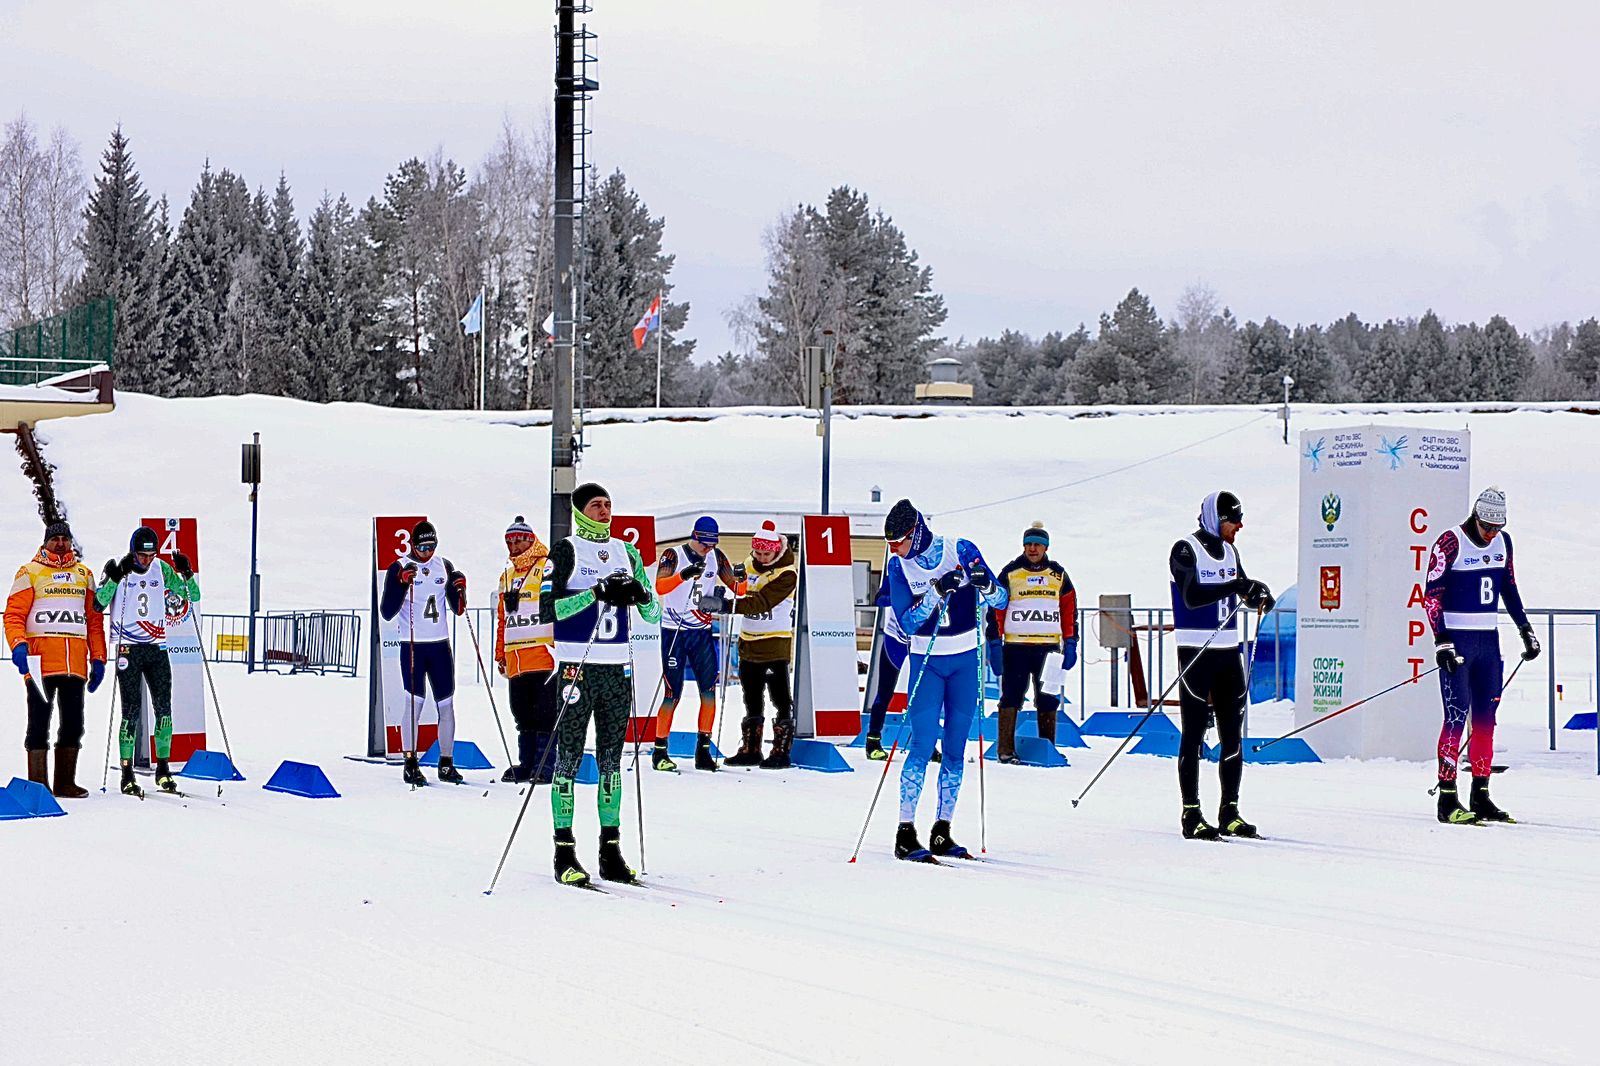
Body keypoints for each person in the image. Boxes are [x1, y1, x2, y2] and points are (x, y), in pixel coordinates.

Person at [542, 482, 661, 886]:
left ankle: (611, 850)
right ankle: (564, 853)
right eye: (596, 505)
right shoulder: (566, 550)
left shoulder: (628, 552)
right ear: (579, 511)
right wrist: (595, 592)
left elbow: (653, 613)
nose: (605, 511)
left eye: (609, 505)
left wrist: (639, 592)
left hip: (616, 670)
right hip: (578, 665)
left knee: (613, 762)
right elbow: (549, 609)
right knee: (569, 760)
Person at [881, 499, 1004, 861]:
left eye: (898, 541)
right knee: (922, 744)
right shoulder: (899, 565)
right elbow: (906, 623)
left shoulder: (960, 549)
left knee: (956, 747)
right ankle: (905, 831)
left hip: (965, 659)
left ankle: (942, 830)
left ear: (915, 532)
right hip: (927, 661)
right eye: (890, 544)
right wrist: (935, 593)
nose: (895, 549)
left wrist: (984, 584)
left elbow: (1001, 599)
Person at [1424, 486, 1537, 824]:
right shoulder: (1450, 542)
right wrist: (1441, 641)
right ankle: (1447, 799)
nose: (1490, 534)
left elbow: (1509, 588)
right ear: (1475, 517)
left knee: (1486, 721)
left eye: (1496, 528)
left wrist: (1525, 630)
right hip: (1458, 641)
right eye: (1486, 527)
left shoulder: (1504, 543)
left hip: (1488, 642)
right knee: (1456, 717)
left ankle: (1481, 794)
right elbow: (1431, 597)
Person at [1168, 491, 1273, 840]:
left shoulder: (1230, 550)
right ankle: (1191, 813)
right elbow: (1192, 596)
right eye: (1233, 520)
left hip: (1228, 651)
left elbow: (1241, 588)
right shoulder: (1185, 549)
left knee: (1232, 734)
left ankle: (1230, 810)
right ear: (1216, 518)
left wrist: (1257, 594)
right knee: (1194, 733)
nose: (1239, 526)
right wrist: (1236, 584)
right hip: (1196, 651)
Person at [96, 526, 202, 797]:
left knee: (164, 709)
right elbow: (98, 603)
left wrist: (186, 573)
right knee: (130, 710)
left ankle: (163, 769)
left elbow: (193, 596)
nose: (146, 560)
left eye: (150, 554)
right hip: (129, 649)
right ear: (133, 551)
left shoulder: (162, 569)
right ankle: (127, 772)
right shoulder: (119, 567)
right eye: (141, 555)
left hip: (156, 648)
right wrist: (114, 579)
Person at [6, 519, 106, 798]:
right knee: (39, 723)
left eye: (65, 538)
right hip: (40, 663)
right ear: (46, 542)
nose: (60, 543)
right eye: (55, 539)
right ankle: (39, 785)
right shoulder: (30, 572)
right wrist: (18, 646)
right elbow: (14, 615)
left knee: (74, 724)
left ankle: (65, 782)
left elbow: (94, 621)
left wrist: (98, 658)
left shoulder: (84, 574)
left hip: (74, 664)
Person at [703, 518, 797, 769]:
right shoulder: (748, 564)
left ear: (777, 551)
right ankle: (751, 748)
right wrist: (727, 591)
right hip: (748, 641)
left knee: (779, 697)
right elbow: (741, 590)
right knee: (751, 697)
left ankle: (781, 749)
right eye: (757, 552)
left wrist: (726, 606)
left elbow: (761, 603)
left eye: (767, 553)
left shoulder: (787, 574)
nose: (762, 557)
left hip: (773, 643)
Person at [379, 520, 467, 786]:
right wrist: (401, 584)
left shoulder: (444, 566)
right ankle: (410, 762)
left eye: (432, 546)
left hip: (440, 645)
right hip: (413, 645)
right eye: (422, 547)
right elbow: (386, 611)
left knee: (447, 704)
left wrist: (459, 588)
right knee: (414, 703)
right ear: (412, 545)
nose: (427, 552)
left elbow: (458, 608)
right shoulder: (399, 566)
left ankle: (446, 763)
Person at [650, 516, 738, 772]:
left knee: (708, 691)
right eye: (704, 543)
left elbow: (737, 588)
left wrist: (740, 578)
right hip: (674, 632)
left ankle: (703, 751)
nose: (708, 548)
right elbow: (660, 587)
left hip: (701, 632)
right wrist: (683, 575)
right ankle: (660, 751)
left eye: (712, 543)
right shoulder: (673, 554)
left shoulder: (716, 556)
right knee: (672, 693)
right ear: (695, 537)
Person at [990, 521, 1079, 762]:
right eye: (1028, 544)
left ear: (1046, 547)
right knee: (1011, 696)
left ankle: (1047, 748)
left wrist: (1071, 642)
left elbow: (1069, 610)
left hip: (1049, 649)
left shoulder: (1058, 574)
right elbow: (996, 608)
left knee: (1048, 697)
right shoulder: (1010, 572)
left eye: (1037, 545)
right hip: (1016, 648)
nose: (1032, 549)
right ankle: (1005, 750)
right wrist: (994, 642)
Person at [494, 516, 556, 783]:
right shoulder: (507, 575)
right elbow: (502, 619)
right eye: (510, 540)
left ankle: (545, 765)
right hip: (516, 658)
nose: (514, 545)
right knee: (522, 715)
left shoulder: (547, 567)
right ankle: (526, 763)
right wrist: (500, 653)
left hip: (543, 656)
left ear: (531, 540)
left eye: (519, 539)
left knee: (545, 715)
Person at [861, 579, 909, 761]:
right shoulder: (899, 569)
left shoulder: (932, 569)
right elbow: (880, 598)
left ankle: (926, 744)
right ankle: (873, 740)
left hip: (920, 639)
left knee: (923, 694)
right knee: (885, 691)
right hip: (895, 638)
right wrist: (897, 598)